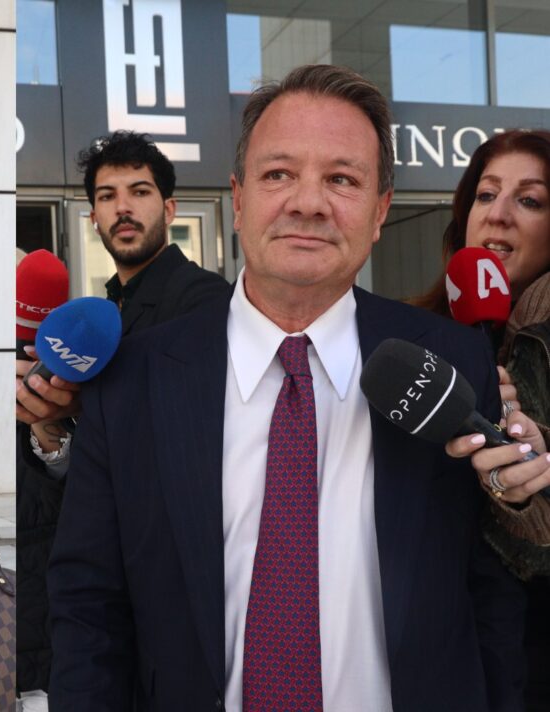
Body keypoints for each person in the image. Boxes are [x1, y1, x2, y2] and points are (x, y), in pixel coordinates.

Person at [48, 64, 530, 711]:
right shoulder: (134, 380)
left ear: (380, 211)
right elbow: (89, 608)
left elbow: (491, 592)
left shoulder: (451, 361)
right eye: (278, 174)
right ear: (238, 198)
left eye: (342, 179)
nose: (308, 203)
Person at [15, 132, 228, 707]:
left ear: (170, 208)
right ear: (93, 217)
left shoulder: (207, 302)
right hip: (99, 585)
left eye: (139, 191)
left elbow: (193, 441)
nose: (123, 207)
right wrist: (50, 431)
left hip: (177, 591)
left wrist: (86, 407)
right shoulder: (99, 313)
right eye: (107, 196)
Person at [412, 129, 550, 711]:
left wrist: (525, 484)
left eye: (530, 200)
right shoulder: (419, 330)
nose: (498, 215)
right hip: (434, 643)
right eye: (486, 194)